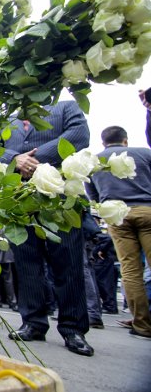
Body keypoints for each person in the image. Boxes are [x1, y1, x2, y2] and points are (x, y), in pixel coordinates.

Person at [0, 100, 94, 356]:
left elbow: (78, 136)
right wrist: (14, 159)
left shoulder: (65, 107)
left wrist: (34, 160)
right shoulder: (8, 120)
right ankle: (33, 322)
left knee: (68, 262)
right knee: (26, 261)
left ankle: (73, 328)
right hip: (19, 197)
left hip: (60, 197)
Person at [85, 125, 151, 340]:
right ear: (125, 140)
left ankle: (142, 323)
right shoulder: (144, 154)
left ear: (103, 142)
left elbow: (91, 195)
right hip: (147, 210)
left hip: (117, 216)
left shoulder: (95, 162)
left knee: (130, 270)